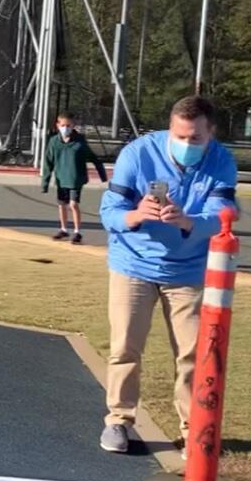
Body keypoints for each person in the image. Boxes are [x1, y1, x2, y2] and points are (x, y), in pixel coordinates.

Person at [95, 96, 239, 454]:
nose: (186, 144)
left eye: (195, 139)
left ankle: (195, 429)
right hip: (133, 265)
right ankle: (118, 421)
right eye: (180, 136)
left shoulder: (221, 159)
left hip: (188, 270)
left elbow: (224, 214)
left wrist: (189, 220)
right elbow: (109, 211)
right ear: (169, 128)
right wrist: (136, 215)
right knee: (125, 347)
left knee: (194, 352)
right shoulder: (138, 153)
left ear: (211, 133)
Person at [37, 112, 108, 243]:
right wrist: (45, 184)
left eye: (68, 125)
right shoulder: (54, 142)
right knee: (61, 205)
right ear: (58, 125)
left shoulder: (79, 141)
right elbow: (48, 163)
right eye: (63, 125)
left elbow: (93, 157)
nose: (66, 128)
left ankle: (77, 231)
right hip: (61, 178)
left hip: (76, 179)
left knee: (73, 204)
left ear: (73, 125)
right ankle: (64, 229)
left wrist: (103, 175)